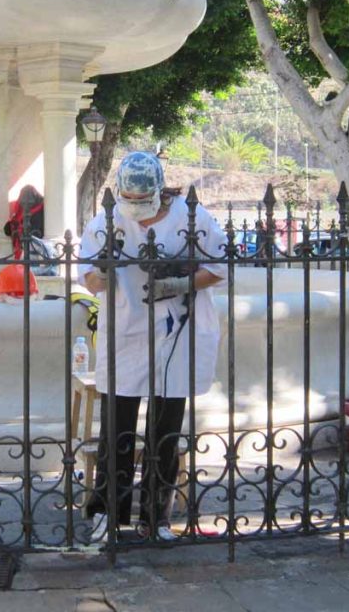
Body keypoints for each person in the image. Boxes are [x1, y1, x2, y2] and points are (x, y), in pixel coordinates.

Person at [80, 151, 226, 542]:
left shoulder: (190, 215)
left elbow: (218, 267)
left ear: (160, 191)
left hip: (177, 331)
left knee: (165, 430)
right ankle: (107, 513)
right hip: (126, 331)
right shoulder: (107, 218)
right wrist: (102, 276)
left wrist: (181, 283)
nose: (138, 213)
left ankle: (155, 517)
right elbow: (86, 275)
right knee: (117, 428)